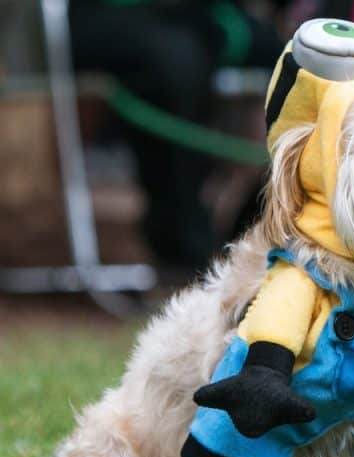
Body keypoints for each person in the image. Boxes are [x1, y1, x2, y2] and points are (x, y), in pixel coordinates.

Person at [69, 0, 293, 270]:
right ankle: (184, 242)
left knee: (294, 58)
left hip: (201, 20)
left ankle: (266, 224)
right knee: (177, 61)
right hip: (122, 21)